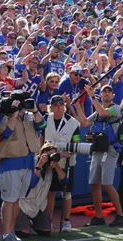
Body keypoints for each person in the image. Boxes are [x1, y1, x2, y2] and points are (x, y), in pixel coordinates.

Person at [0, 98, 46, 241]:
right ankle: (5, 234)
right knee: (9, 199)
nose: (23, 105)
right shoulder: (2, 114)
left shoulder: (30, 115)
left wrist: (34, 110)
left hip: (27, 161)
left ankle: (11, 232)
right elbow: (4, 132)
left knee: (16, 200)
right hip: (10, 162)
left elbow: (42, 124)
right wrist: (14, 114)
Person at [74, 84, 123, 227]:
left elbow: (104, 112)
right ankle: (98, 217)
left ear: (113, 95)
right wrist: (76, 105)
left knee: (107, 183)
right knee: (94, 184)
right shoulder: (97, 111)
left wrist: (92, 97)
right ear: (101, 94)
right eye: (104, 92)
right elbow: (84, 122)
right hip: (97, 150)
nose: (107, 94)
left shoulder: (115, 108)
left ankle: (121, 215)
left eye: (110, 92)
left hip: (109, 150)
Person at [41, 95, 81, 232]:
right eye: (56, 105)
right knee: (50, 192)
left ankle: (67, 222)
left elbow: (76, 143)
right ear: (51, 107)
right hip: (48, 163)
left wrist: (68, 153)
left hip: (67, 163)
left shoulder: (73, 123)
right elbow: (41, 140)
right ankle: (49, 221)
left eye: (61, 105)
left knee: (67, 193)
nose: (59, 107)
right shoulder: (45, 119)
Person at [15, 143, 68, 238]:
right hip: (23, 204)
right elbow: (31, 184)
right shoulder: (32, 162)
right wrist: (40, 164)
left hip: (39, 205)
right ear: (42, 153)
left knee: (45, 233)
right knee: (23, 234)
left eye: (54, 154)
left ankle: (32, 223)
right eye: (49, 154)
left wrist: (57, 167)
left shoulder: (52, 167)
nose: (51, 157)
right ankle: (20, 222)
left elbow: (65, 182)